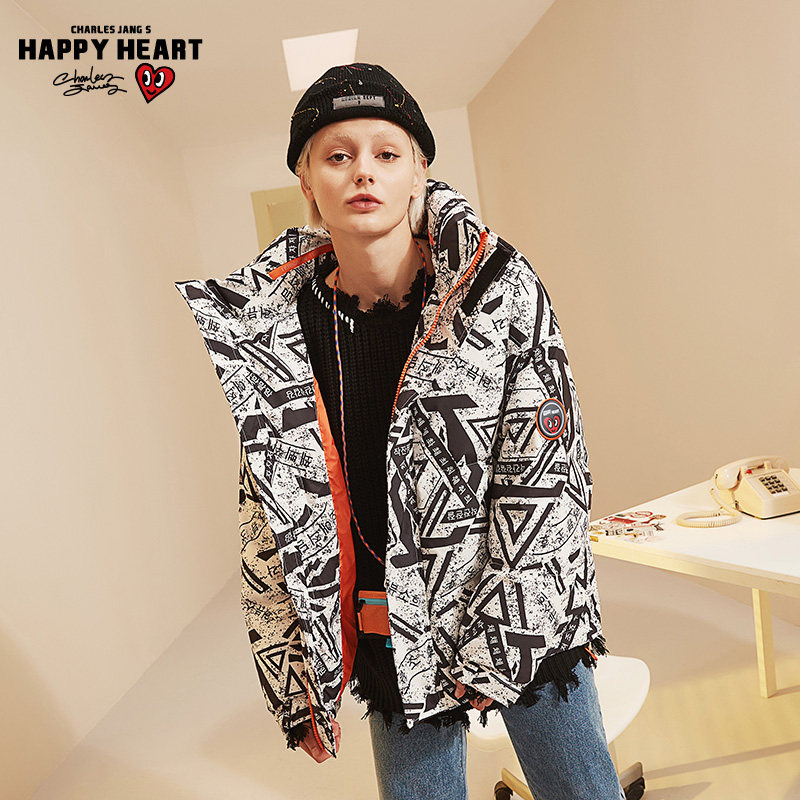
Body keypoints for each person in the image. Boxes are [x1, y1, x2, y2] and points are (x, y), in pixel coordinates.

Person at [176, 63, 626, 800]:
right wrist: (293, 670)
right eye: (338, 155)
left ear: (420, 170)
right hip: (392, 627)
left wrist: (497, 639)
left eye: (386, 153)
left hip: (524, 613)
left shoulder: (495, 287)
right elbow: (267, 508)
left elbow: (549, 476)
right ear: (306, 180)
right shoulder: (270, 328)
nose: (364, 172)